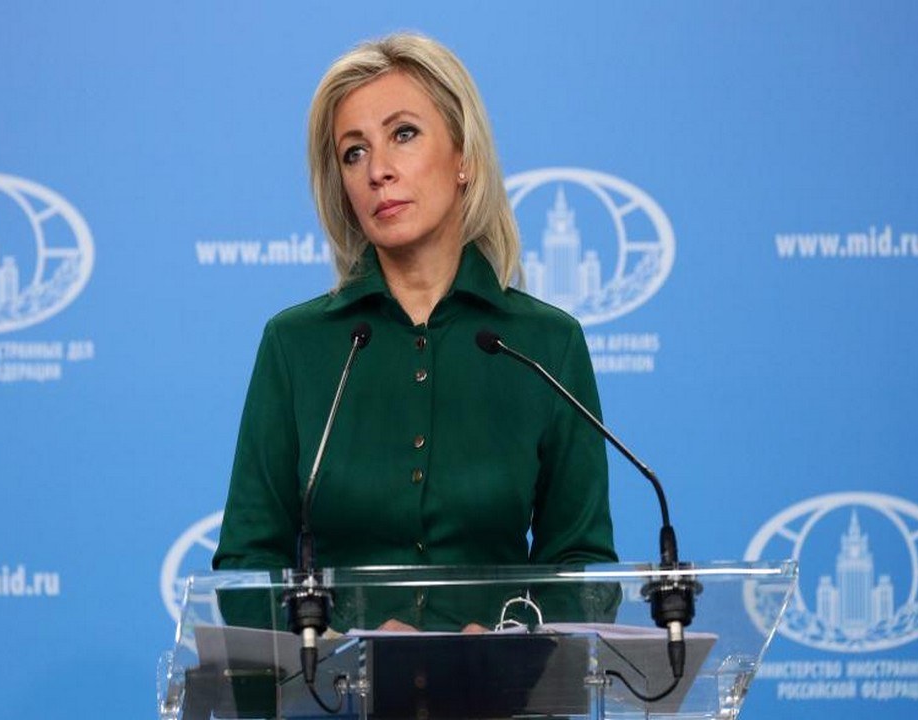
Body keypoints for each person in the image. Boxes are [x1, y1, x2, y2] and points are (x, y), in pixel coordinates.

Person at [212, 33, 617, 631]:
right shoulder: (295, 346)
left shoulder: (546, 345)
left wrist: (511, 640)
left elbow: (582, 567)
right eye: (353, 152)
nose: (378, 170)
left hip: (500, 682)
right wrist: (338, 641)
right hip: (336, 683)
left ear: (464, 158)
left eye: (403, 134)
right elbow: (248, 569)